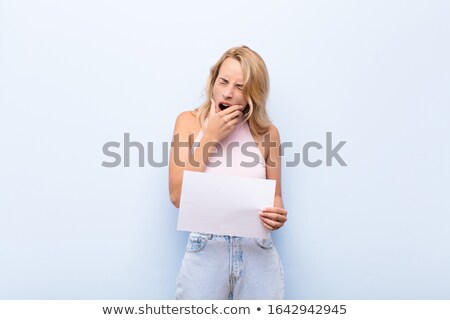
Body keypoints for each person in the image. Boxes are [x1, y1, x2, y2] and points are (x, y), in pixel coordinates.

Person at [169, 45, 287, 300]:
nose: (228, 92)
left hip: (257, 251)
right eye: (223, 81)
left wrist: (276, 215)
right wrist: (211, 135)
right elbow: (178, 196)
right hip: (206, 250)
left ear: (252, 95)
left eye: (240, 87)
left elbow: (276, 198)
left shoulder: (268, 133)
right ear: (213, 80)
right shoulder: (188, 123)